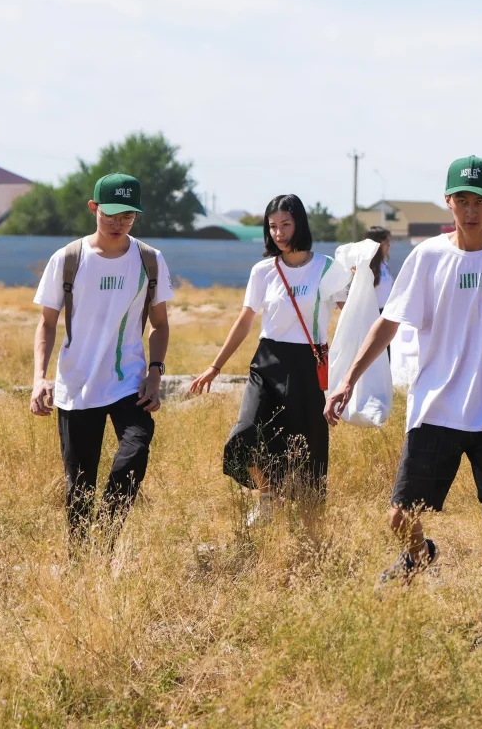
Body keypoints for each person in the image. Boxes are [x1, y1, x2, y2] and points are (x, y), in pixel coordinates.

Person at [324, 155, 482, 624]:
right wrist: (347, 381)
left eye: (480, 200)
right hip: (434, 406)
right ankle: (418, 554)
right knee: (399, 519)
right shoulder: (428, 256)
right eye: (461, 199)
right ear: (448, 202)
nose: (470, 209)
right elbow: (389, 322)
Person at [30, 173, 174, 549]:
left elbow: (159, 325)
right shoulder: (68, 259)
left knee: (136, 449)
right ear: (94, 208)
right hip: (77, 384)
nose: (118, 222)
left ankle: (107, 538)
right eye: (111, 213)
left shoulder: (150, 261)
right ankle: (80, 560)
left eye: (127, 215)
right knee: (80, 482)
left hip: (129, 382)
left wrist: (155, 374)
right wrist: (39, 378)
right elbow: (46, 323)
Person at [190, 194, 350, 525]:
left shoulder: (327, 269)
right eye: (272, 226)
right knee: (245, 432)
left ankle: (310, 529)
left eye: (285, 225)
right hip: (267, 362)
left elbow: (350, 318)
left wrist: (355, 372)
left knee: (307, 448)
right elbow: (245, 321)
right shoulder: (264, 270)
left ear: (300, 224)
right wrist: (214, 367)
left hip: (308, 364)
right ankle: (268, 496)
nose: (278, 232)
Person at [364, 225, 394, 312]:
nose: (389, 246)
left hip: (385, 312)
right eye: (387, 242)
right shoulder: (365, 266)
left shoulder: (384, 265)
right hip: (370, 314)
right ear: (377, 244)